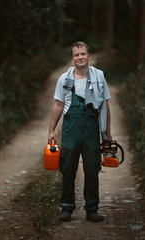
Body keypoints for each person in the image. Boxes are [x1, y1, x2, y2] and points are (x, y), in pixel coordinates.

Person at [48, 41, 112, 222]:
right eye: (76, 55)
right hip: (71, 128)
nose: (80, 57)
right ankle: (66, 207)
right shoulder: (64, 79)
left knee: (92, 169)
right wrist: (51, 130)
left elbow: (105, 106)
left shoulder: (99, 76)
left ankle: (92, 209)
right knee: (68, 168)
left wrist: (107, 133)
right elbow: (58, 104)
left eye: (83, 54)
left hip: (92, 128)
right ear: (72, 58)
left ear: (89, 56)